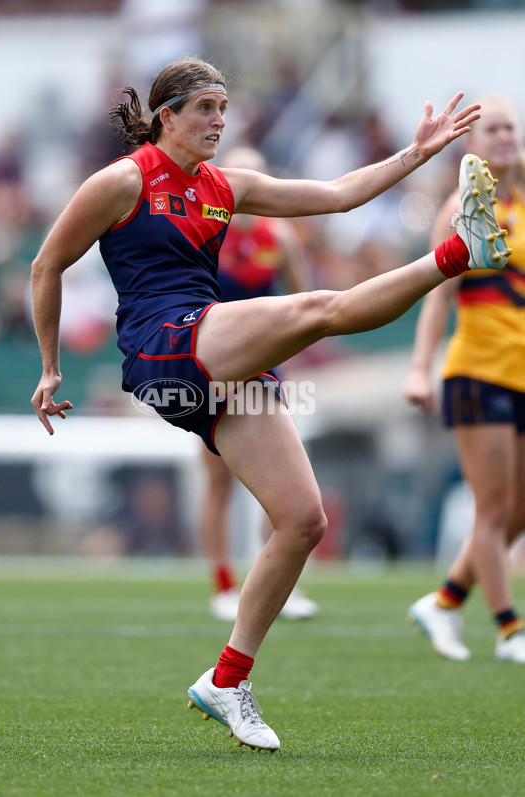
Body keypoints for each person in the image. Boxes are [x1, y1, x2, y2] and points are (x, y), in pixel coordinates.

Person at [30, 57, 508, 751]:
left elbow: (339, 195)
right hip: (163, 344)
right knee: (318, 309)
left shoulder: (227, 185)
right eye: (205, 108)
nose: (219, 121)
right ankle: (461, 250)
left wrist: (417, 153)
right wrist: (50, 367)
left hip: (212, 354)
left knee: (303, 521)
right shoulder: (123, 180)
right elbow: (46, 264)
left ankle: (227, 679)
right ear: (166, 116)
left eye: (224, 108)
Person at [405, 97, 525, 664]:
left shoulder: (521, 203)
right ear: (471, 146)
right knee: (493, 509)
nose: (505, 137)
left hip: (519, 374)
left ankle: (447, 601)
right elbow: (437, 293)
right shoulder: (465, 204)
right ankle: (509, 630)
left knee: (516, 510)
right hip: (479, 371)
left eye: (510, 128)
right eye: (492, 130)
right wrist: (419, 368)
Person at [200, 145, 318, 622]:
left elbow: (304, 298)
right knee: (218, 481)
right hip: (213, 365)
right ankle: (222, 586)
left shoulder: (280, 236)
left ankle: (275, 586)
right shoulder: (206, 231)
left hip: (264, 367)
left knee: (280, 485)